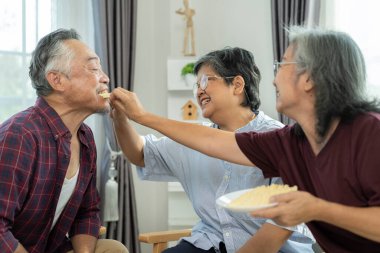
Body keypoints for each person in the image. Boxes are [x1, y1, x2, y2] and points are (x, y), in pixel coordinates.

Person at [110, 26, 380, 253]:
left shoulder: (369, 133)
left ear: (309, 77)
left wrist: (317, 209)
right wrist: (139, 117)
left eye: (282, 64)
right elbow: (215, 142)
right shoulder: (290, 142)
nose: (273, 79)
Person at [111, 47, 314, 253]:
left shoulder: (275, 139)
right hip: (210, 241)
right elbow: (141, 154)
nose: (199, 91)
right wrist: (120, 119)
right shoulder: (195, 138)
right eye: (197, 85)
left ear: (237, 85)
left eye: (206, 81)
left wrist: (143, 116)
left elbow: (282, 226)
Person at [0, 29, 128, 253]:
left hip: (47, 247)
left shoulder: (85, 137)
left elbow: (86, 213)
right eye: (94, 68)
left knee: (113, 249)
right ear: (57, 80)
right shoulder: (20, 135)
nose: (105, 77)